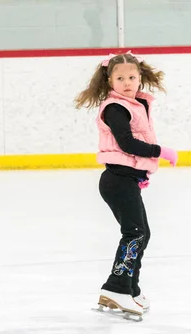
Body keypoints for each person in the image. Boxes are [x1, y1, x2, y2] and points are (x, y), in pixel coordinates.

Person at [74, 51, 178, 317]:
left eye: (132, 76)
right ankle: (117, 288)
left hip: (126, 178)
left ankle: (129, 287)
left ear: (140, 77)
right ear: (110, 81)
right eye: (120, 78)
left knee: (142, 233)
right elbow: (126, 144)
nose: (127, 82)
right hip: (116, 180)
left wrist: (140, 173)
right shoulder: (115, 107)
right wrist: (159, 151)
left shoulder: (137, 104)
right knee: (135, 233)